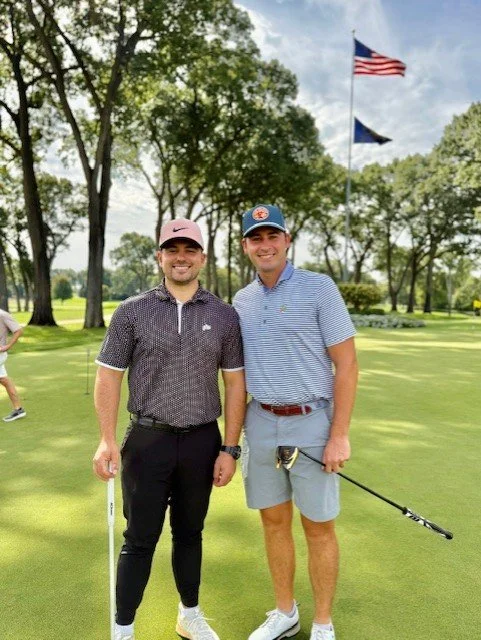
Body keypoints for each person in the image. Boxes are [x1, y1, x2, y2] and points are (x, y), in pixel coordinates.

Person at [92, 218, 245, 640]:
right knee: (140, 539)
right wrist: (106, 439)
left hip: (202, 441)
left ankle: (189, 615)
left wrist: (230, 448)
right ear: (160, 256)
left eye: (189, 249)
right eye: (172, 250)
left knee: (190, 533)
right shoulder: (132, 311)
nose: (181, 257)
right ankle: (124, 628)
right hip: (147, 441)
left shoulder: (224, 315)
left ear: (202, 258)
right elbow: (108, 376)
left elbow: (235, 383)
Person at [233, 204, 358, 640]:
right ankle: (285, 612)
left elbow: (347, 365)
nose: (264, 245)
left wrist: (339, 435)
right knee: (273, 522)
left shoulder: (319, 288)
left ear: (287, 240)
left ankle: (323, 622)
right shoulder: (241, 301)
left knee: (318, 526)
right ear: (246, 246)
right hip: (261, 421)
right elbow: (237, 377)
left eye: (273, 236)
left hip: (312, 421)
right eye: (256, 238)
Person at [0, 309, 26, 422]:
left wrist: (8, 346)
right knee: (4, 380)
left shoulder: (2, 315)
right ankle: (18, 409)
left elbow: (18, 330)